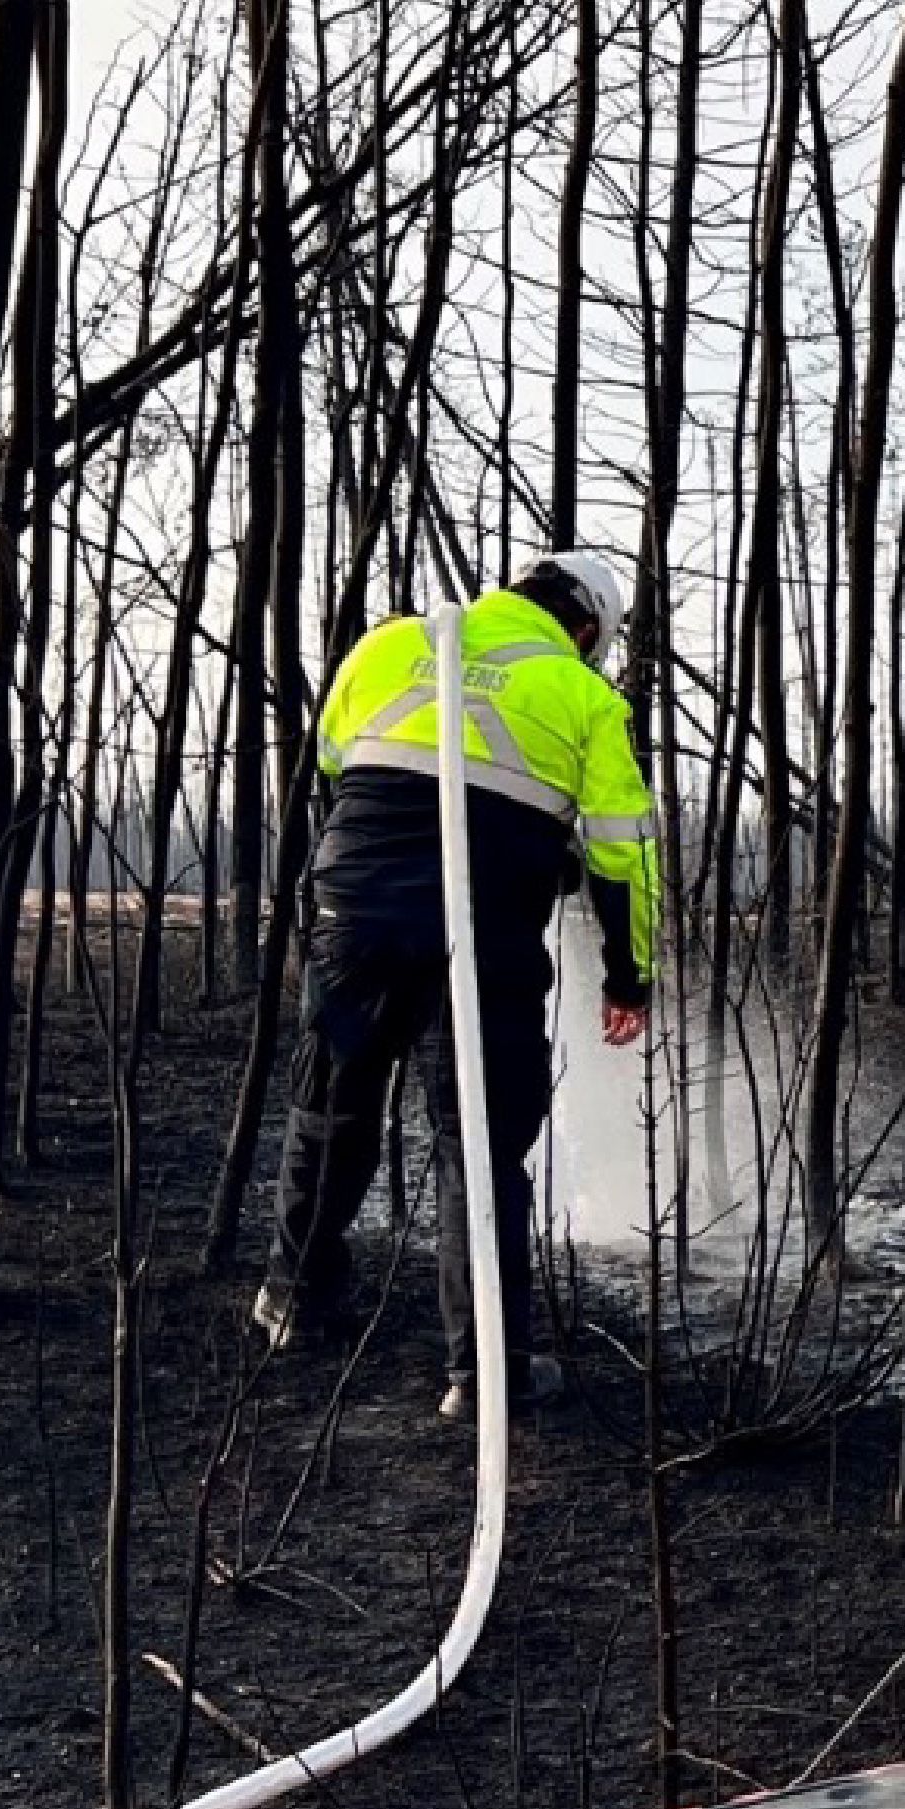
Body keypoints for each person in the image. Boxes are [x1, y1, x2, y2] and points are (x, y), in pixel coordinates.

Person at [260, 546, 660, 1414]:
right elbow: (623, 855)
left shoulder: (388, 645)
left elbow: (332, 762)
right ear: (585, 627)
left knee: (331, 1108)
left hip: (356, 913)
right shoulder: (584, 694)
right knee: (477, 1145)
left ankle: (295, 1303)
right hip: (486, 936)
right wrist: (629, 979)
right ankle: (484, 1375)